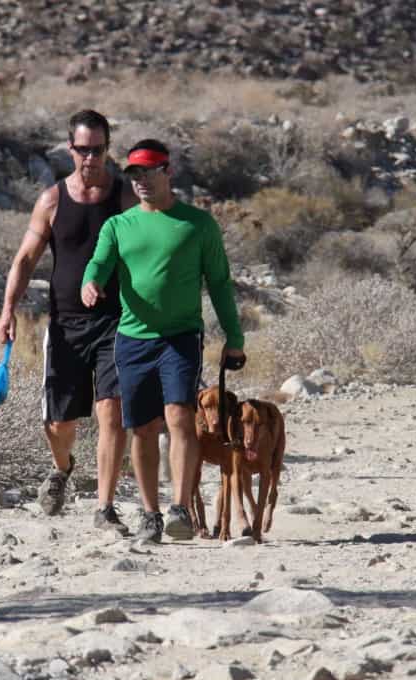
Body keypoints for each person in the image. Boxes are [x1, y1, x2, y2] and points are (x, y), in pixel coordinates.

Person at [80, 139, 246, 543]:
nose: (140, 181)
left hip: (181, 337)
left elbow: (220, 283)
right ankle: (151, 514)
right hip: (132, 339)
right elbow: (99, 261)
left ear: (167, 172)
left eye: (148, 173)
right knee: (140, 428)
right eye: (133, 175)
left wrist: (234, 337)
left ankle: (180, 508)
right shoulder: (118, 225)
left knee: (177, 417)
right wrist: (91, 281)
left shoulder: (198, 224)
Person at [0, 109, 136, 533]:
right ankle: (63, 467)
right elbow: (24, 259)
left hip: (117, 321)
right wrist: (8, 310)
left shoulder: (127, 198)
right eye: (82, 150)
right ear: (70, 149)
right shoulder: (52, 200)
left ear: (108, 150)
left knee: (111, 410)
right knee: (59, 424)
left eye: (97, 150)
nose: (90, 158)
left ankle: (105, 507)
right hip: (65, 325)